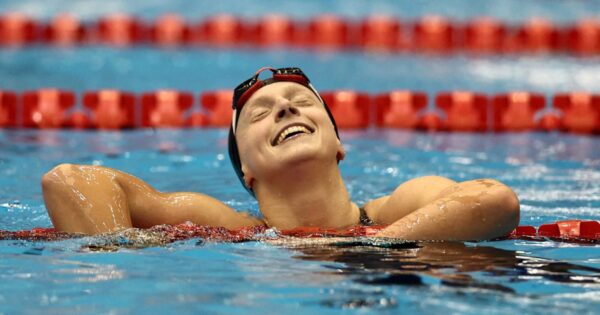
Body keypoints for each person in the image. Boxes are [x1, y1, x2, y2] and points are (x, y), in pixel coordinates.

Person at [41, 67, 520, 240]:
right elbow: (69, 179)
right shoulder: (227, 228)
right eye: (261, 113)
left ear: (338, 144)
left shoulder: (399, 208)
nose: (286, 107)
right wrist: (117, 248)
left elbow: (494, 201)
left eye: (301, 103)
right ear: (245, 169)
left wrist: (372, 246)